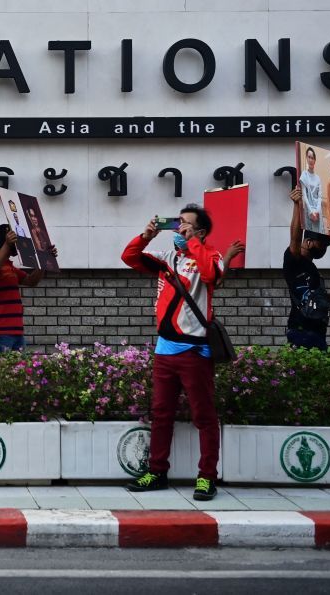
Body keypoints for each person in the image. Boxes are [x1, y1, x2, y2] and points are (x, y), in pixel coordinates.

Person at [121, 204, 224, 501]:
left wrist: (193, 243)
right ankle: (157, 472)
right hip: (165, 351)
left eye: (187, 225)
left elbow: (211, 274)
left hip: (195, 351)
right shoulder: (167, 259)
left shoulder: (211, 256)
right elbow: (129, 258)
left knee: (204, 416)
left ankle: (206, 478)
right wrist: (146, 236)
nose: (179, 229)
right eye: (179, 224)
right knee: (161, 414)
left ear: (200, 232)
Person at [284, 186, 330, 350]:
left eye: (326, 246)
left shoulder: (313, 269)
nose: (324, 249)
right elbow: (295, 237)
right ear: (307, 242)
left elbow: (322, 303)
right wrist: (297, 206)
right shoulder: (294, 260)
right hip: (301, 332)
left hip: (318, 334)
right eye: (321, 244)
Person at [0, 225, 58, 353]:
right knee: (0, 372)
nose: (19, 246)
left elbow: (31, 281)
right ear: (6, 240)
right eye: (16, 241)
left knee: (18, 372)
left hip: (16, 332)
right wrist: (7, 244)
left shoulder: (10, 267)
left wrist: (44, 259)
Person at [299, 146, 323, 234]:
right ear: (306, 158)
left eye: (312, 158)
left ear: (315, 160)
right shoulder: (304, 175)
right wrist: (311, 212)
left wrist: (317, 211)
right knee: (309, 234)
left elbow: (320, 196)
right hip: (308, 209)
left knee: (318, 235)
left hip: (318, 210)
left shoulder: (318, 178)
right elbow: (304, 195)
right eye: (309, 157)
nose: (310, 160)